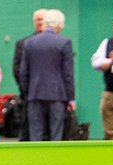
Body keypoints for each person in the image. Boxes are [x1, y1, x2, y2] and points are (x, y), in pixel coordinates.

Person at [18, 9, 75, 141]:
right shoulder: (64, 42)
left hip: (34, 94)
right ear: (59, 24)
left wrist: (28, 93)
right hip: (57, 95)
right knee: (56, 135)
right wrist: (70, 98)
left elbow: (23, 72)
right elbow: (68, 74)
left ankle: (37, 160)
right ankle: (54, 160)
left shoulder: (29, 42)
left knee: (36, 135)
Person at [13, 9, 46, 141]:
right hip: (29, 95)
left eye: (43, 19)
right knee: (28, 132)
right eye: (38, 19)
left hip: (51, 96)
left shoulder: (58, 43)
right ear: (34, 22)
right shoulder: (23, 43)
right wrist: (26, 90)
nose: (40, 22)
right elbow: (17, 69)